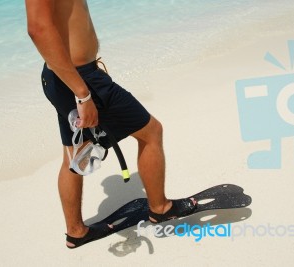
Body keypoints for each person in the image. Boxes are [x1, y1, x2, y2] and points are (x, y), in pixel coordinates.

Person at [25, 0, 197, 249]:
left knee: (75, 154)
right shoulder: (81, 86)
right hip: (79, 79)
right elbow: (38, 28)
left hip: (63, 76)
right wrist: (83, 93)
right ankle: (160, 209)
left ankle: (76, 232)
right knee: (151, 132)